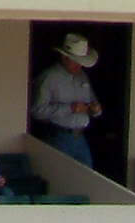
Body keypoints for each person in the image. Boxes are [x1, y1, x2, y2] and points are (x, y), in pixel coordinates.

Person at [32, 33, 102, 167]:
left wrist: (95, 109)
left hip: (80, 137)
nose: (79, 66)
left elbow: (94, 103)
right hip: (58, 137)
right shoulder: (49, 77)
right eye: (76, 61)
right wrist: (70, 108)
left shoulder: (83, 77)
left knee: (87, 180)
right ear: (64, 58)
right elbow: (37, 111)